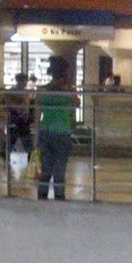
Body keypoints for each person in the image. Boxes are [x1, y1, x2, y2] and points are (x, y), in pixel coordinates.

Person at [36, 55, 80, 200]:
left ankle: (42, 195)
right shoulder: (69, 92)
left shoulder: (42, 91)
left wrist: (35, 132)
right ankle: (59, 196)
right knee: (60, 167)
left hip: (45, 130)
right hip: (62, 131)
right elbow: (77, 104)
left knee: (46, 166)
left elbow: (37, 112)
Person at [2, 72, 34, 160]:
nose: (25, 82)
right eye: (24, 80)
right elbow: (9, 103)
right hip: (15, 117)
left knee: (24, 137)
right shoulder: (13, 91)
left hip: (22, 117)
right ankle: (5, 153)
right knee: (13, 137)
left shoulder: (25, 92)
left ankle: (29, 154)